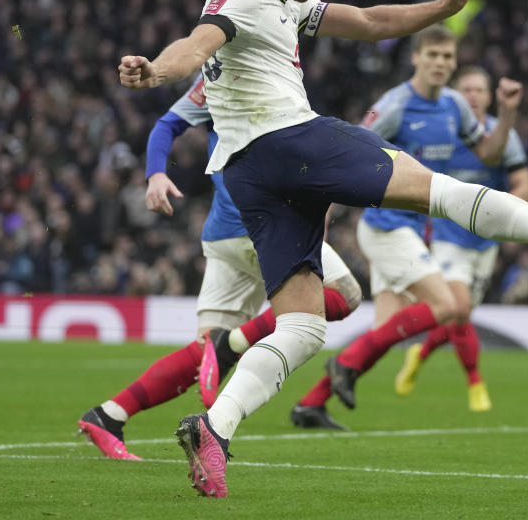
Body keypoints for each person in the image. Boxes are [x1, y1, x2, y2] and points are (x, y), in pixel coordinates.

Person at [118, 0, 528, 498]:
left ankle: (213, 428)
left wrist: (440, 8)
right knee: (446, 192)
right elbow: (197, 43)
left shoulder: (291, 3)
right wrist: (156, 70)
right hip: (290, 140)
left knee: (302, 327)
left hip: (250, 174)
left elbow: (371, 22)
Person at [78, 74, 362, 459]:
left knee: (202, 354)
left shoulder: (216, 74)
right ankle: (232, 343)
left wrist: (156, 172)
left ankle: (109, 415)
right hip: (263, 228)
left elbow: (167, 124)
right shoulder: (251, 71)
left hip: (223, 233)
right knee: (344, 295)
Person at [290, 37, 528, 429]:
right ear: (417, 57)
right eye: (432, 54)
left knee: (386, 333)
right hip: (386, 226)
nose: (440, 62)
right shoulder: (394, 106)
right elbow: (345, 153)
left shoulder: (453, 105)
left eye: (447, 56)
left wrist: (506, 114)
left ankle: (310, 404)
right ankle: (343, 362)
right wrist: (323, 215)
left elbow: (488, 154)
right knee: (447, 305)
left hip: (411, 228)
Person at [396, 64, 528, 410]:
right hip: (447, 235)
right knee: (458, 309)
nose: (473, 96)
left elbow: (524, 183)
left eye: (479, 90)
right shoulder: (441, 133)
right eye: (466, 90)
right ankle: (476, 383)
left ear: (489, 97)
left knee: (460, 313)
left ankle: (421, 352)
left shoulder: (503, 136)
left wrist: (510, 213)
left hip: (486, 242)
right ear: (455, 97)